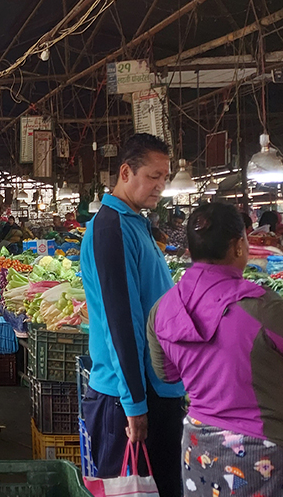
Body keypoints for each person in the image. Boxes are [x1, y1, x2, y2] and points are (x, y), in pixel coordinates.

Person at [146, 203, 283, 497]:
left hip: (198, 446)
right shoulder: (265, 309)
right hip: (263, 451)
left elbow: (167, 374)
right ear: (237, 247)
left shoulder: (161, 310)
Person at [79, 133, 185, 497]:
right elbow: (121, 322)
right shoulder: (111, 229)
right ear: (126, 172)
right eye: (153, 176)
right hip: (130, 398)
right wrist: (135, 405)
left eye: (164, 177)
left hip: (156, 387)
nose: (160, 186)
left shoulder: (134, 223)